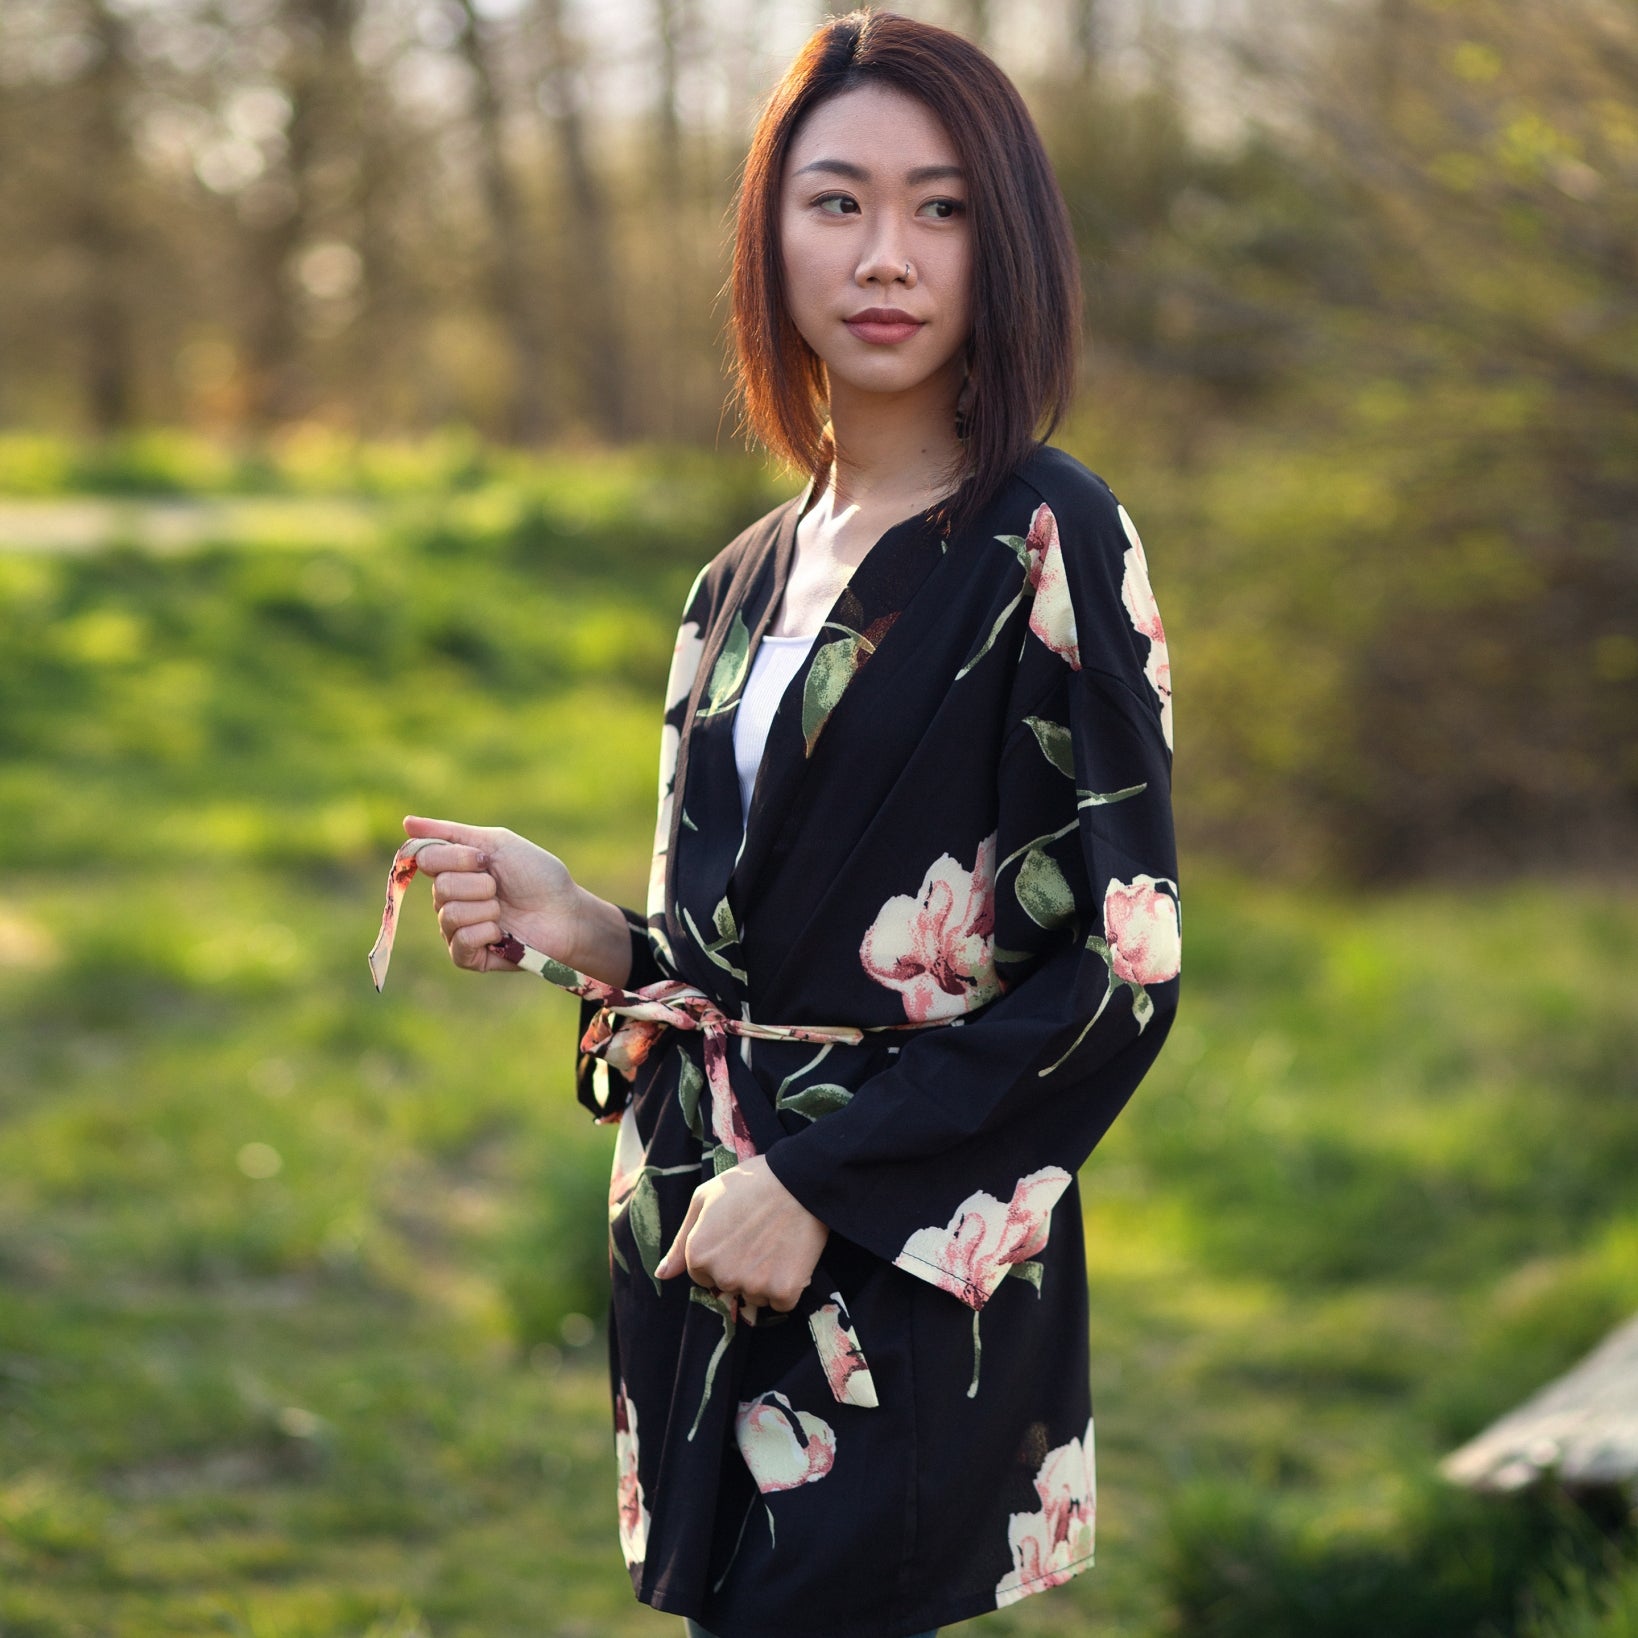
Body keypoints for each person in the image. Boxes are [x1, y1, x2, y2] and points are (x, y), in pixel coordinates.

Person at [399, 10, 1179, 1635]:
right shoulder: (736, 581)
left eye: (939, 206)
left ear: (1004, 241)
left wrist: (824, 1182)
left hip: (888, 1268)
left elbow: (1121, 966)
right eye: (836, 202)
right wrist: (591, 932)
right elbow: (754, 954)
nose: (884, 255)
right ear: (769, 239)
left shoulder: (1048, 535)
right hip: (700, 1242)